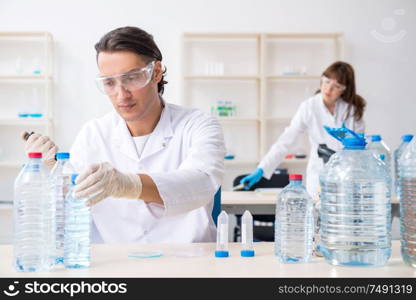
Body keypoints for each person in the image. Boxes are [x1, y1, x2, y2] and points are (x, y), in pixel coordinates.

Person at [24, 26, 225, 243]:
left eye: (131, 78)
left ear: (156, 72)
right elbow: (72, 199)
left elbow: (202, 183)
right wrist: (51, 169)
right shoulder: (94, 134)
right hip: (115, 263)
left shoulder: (197, 125)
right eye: (109, 83)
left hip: (190, 261)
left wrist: (128, 185)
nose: (121, 94)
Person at [240, 61, 366, 199]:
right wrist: (262, 169)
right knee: (318, 216)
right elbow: (286, 141)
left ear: (345, 89)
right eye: (326, 81)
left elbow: (360, 150)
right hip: (319, 176)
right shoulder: (309, 107)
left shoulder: (352, 110)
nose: (328, 89)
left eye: (336, 86)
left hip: (347, 178)